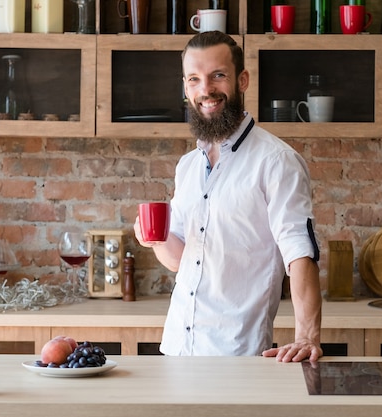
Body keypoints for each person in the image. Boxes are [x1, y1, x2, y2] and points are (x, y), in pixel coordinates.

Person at [134, 31, 322, 362]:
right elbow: (182, 260)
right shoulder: (188, 166)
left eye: (217, 76)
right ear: (185, 87)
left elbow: (299, 253)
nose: (205, 90)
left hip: (237, 355)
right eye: (194, 79)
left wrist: (307, 337)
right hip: (177, 349)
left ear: (242, 80)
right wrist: (156, 240)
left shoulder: (276, 161)